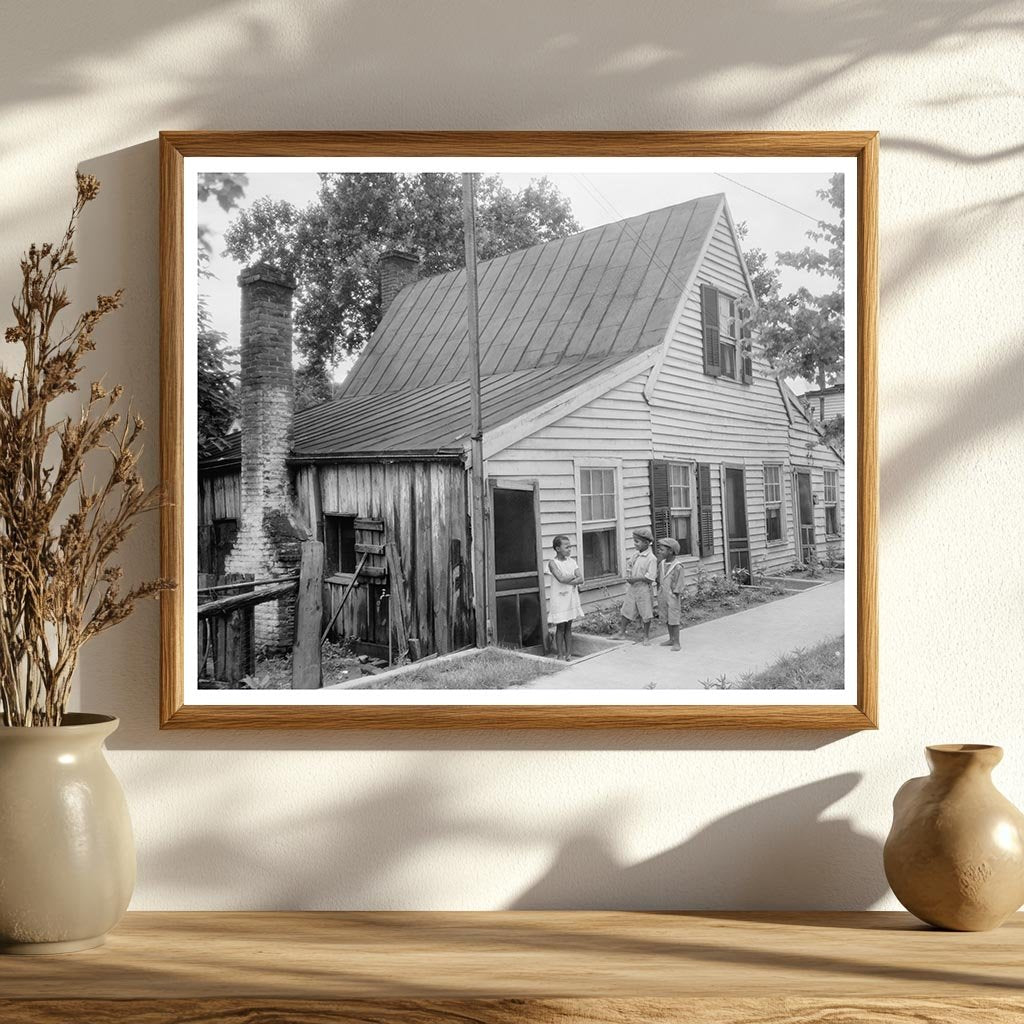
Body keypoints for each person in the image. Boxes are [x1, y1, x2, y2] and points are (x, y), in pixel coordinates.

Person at [614, 526, 657, 643]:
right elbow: (630, 566)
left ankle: (646, 636)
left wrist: (636, 579)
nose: (635, 544)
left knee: (645, 612)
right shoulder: (636, 555)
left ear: (646, 543)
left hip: (644, 589)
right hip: (633, 588)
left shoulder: (651, 558)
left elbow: (650, 578)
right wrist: (629, 574)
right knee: (626, 609)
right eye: (634, 541)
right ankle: (622, 632)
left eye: (637, 542)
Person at [546, 534, 583, 661]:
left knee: (568, 626)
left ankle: (568, 654)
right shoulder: (553, 563)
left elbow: (581, 579)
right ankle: (560, 654)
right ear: (557, 548)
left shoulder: (572, 562)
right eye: (566, 547)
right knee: (560, 627)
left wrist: (569, 579)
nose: (569, 549)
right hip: (559, 599)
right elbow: (560, 578)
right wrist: (573, 577)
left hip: (571, 598)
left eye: (570, 547)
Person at [656, 537, 685, 652]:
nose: (659, 551)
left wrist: (676, 592)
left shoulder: (678, 566)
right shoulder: (662, 564)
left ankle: (677, 642)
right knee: (667, 617)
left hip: (672, 595)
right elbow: (659, 578)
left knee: (674, 618)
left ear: (671, 551)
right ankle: (671, 639)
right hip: (663, 594)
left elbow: (680, 581)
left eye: (662, 550)